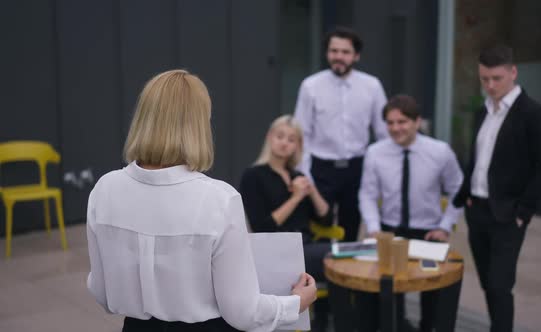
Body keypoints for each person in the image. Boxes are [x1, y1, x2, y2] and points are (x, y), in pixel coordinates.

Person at [86, 69, 317, 332]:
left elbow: (102, 293)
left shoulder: (105, 189)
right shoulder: (218, 199)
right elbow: (243, 312)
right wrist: (295, 303)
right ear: (198, 125)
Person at [452, 45, 541, 332]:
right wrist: (466, 199)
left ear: (513, 72)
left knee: (500, 286)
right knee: (488, 283)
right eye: (484, 79)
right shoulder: (482, 112)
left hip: (509, 215)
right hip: (478, 211)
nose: (490, 85)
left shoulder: (535, 114)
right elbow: (477, 160)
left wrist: (523, 212)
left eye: (496, 78)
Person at [358, 94, 464, 332]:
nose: (395, 128)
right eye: (390, 122)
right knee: (389, 291)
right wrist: (374, 228)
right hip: (389, 230)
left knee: (432, 289)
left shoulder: (440, 151)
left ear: (417, 122)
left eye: (402, 122)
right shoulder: (375, 152)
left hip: (429, 232)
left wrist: (444, 227)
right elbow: (367, 194)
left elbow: (459, 190)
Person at [294, 26, 389, 241]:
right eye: (334, 51)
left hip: (357, 168)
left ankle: (345, 272)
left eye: (345, 52)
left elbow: (383, 132)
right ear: (327, 53)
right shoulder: (310, 86)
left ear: (356, 56)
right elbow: (302, 134)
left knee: (350, 227)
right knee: (319, 228)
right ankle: (320, 272)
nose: (339, 57)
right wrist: (305, 174)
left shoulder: (372, 86)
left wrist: (383, 172)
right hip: (320, 168)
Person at [239, 115, 332, 331]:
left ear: (297, 146)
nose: (284, 142)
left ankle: (326, 321)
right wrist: (296, 198)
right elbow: (263, 226)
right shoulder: (253, 176)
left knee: (343, 261)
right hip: (277, 251)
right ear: (269, 138)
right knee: (338, 258)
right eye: (280, 136)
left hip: (307, 247)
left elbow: (326, 219)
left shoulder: (297, 175)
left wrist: (310, 188)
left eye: (291, 139)